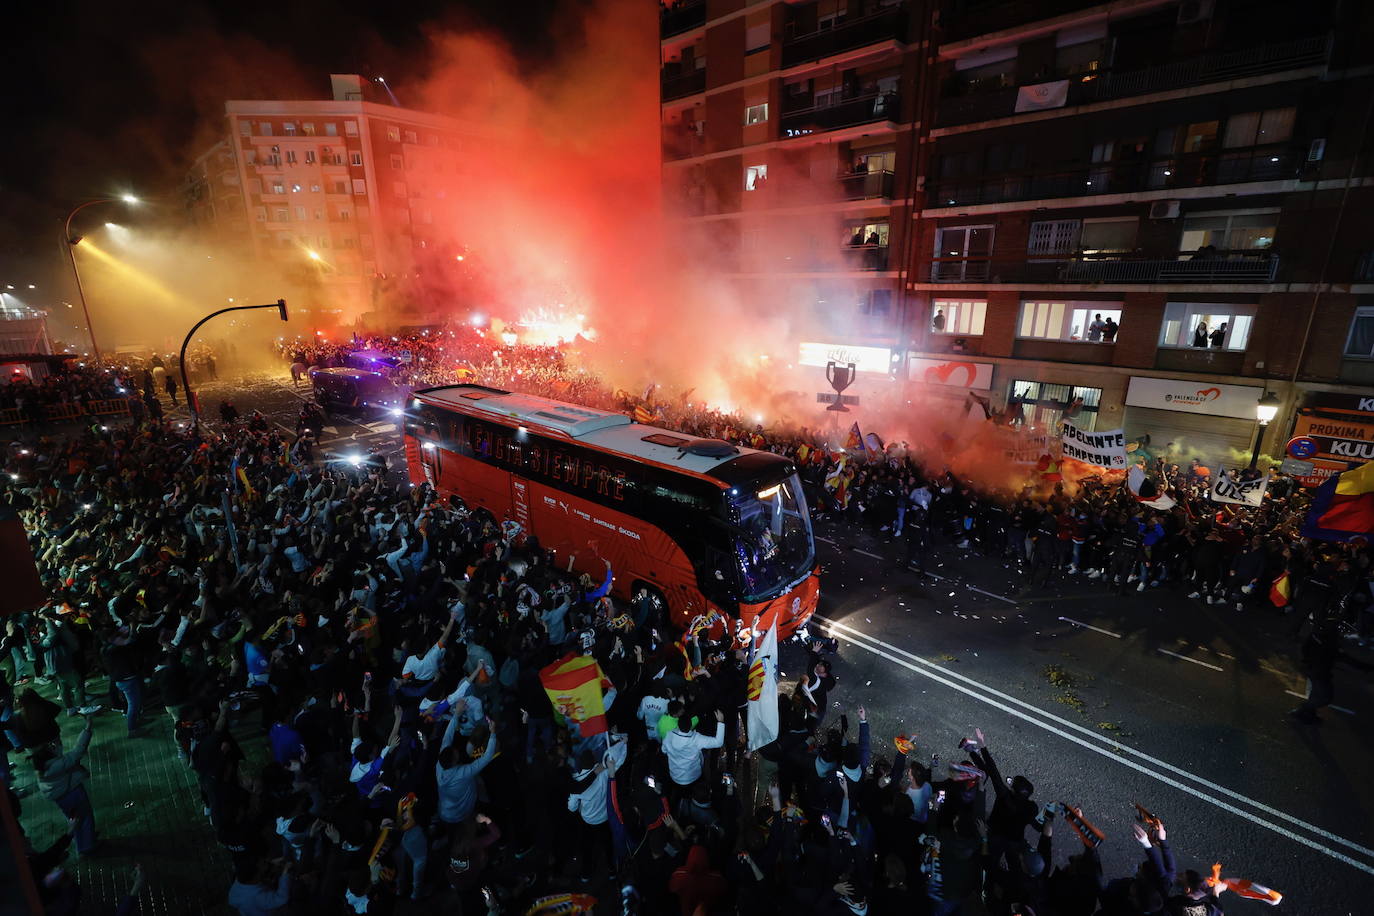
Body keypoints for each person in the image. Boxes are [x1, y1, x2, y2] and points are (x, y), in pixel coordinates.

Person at [32, 713, 98, 855]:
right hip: (73, 793)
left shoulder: (41, 768)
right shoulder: (58, 765)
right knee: (84, 817)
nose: (55, 746)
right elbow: (79, 750)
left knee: (74, 819)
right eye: (52, 747)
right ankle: (87, 846)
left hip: (61, 798)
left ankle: (82, 841)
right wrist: (88, 728)